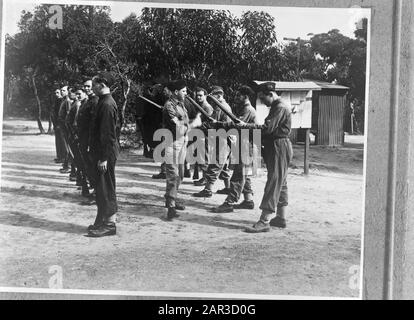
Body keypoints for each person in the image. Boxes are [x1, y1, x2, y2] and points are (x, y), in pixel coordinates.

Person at [234, 82, 293, 232]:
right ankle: (280, 218)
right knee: (281, 181)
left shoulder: (279, 107)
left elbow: (267, 129)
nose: (262, 101)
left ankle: (264, 220)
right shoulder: (278, 106)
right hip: (278, 145)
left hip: (278, 146)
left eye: (263, 98)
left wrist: (245, 126)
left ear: (271, 94)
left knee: (274, 181)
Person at [211, 85, 258, 213]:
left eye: (239, 96)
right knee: (244, 174)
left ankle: (229, 202)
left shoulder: (248, 110)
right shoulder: (243, 108)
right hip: (243, 143)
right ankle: (248, 201)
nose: (236, 98)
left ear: (246, 97)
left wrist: (218, 124)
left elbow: (235, 125)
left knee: (238, 175)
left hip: (247, 145)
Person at [87, 72, 120, 237]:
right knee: (101, 188)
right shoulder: (103, 101)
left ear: (102, 84)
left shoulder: (107, 104)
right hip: (101, 153)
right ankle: (102, 220)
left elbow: (107, 135)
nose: (92, 87)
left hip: (105, 154)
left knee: (107, 187)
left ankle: (110, 224)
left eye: (94, 84)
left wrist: (104, 158)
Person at [163, 80, 201, 220]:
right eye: (183, 91)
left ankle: (170, 198)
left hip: (182, 142)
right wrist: (193, 124)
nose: (186, 93)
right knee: (173, 175)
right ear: (175, 92)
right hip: (172, 143)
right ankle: (171, 207)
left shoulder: (181, 105)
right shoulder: (169, 106)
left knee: (182, 174)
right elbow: (178, 127)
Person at [192, 85, 232, 197]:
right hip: (220, 138)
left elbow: (220, 124)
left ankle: (208, 190)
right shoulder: (220, 106)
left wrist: (205, 125)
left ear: (219, 95)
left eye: (213, 96)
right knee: (223, 165)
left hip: (223, 138)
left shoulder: (223, 107)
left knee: (215, 164)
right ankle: (228, 187)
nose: (211, 98)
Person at [192, 87, 214, 184]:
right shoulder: (199, 106)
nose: (198, 97)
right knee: (199, 155)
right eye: (197, 96)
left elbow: (210, 123)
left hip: (206, 134)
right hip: (199, 134)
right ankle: (204, 177)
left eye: (201, 95)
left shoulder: (207, 107)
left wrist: (197, 124)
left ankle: (206, 178)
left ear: (205, 96)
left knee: (204, 156)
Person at [51, 88, 65, 163]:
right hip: (56, 124)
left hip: (60, 124)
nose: (56, 94)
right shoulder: (56, 101)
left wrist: (59, 124)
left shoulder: (62, 101)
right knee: (58, 141)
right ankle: (59, 156)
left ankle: (62, 157)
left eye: (58, 92)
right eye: (55, 93)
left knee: (62, 141)